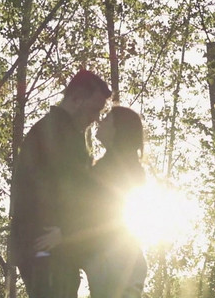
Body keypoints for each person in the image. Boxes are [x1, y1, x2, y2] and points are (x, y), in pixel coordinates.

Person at [10, 69, 111, 298]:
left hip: (54, 248)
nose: (96, 118)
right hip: (45, 247)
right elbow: (62, 194)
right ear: (76, 99)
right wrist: (66, 232)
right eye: (94, 109)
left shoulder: (73, 135)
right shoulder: (53, 133)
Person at [77, 106, 148, 298]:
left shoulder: (115, 169)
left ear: (118, 129)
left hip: (115, 260)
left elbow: (95, 214)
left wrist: (63, 236)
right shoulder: (116, 166)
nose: (100, 121)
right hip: (119, 258)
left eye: (107, 119)